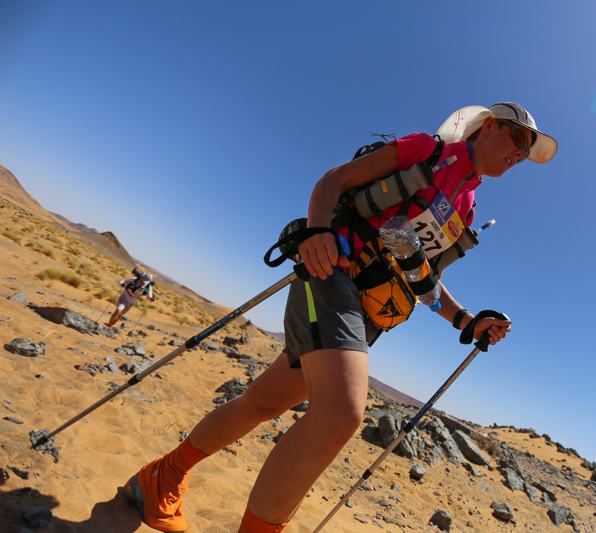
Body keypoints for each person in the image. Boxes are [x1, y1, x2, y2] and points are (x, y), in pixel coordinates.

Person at [123, 102, 558, 533]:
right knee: (341, 415)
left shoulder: (467, 209)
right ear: (488, 126)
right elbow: (335, 180)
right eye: (519, 138)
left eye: (527, 152)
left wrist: (466, 320)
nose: (520, 154)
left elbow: (423, 277)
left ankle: (162, 475)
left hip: (368, 313)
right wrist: (317, 232)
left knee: (263, 403)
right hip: (332, 274)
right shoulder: (429, 150)